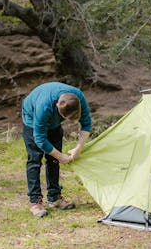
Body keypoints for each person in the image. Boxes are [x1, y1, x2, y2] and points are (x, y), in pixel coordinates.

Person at [21, 81, 92, 217]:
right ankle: (35, 202)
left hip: (53, 123)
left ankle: (54, 197)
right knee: (35, 159)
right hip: (32, 118)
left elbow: (87, 124)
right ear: (58, 109)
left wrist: (78, 148)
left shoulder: (78, 98)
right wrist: (61, 156)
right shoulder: (44, 107)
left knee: (53, 160)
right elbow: (40, 139)